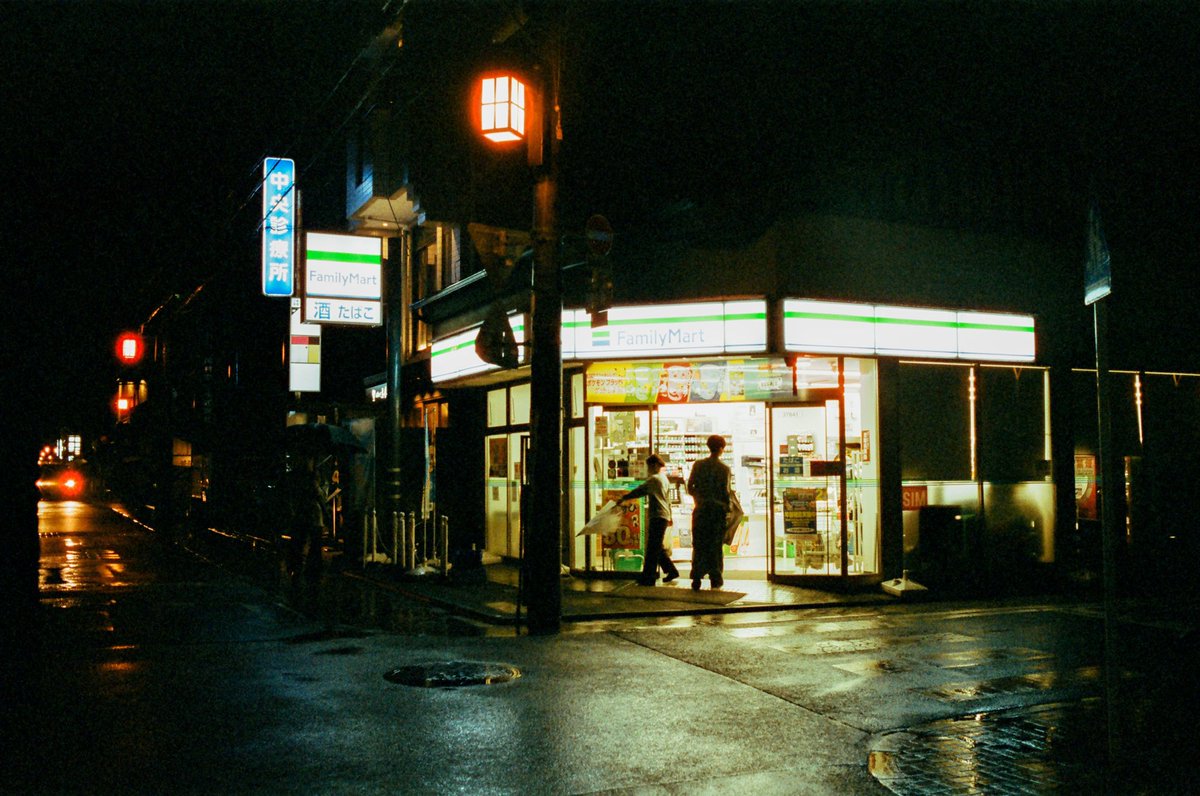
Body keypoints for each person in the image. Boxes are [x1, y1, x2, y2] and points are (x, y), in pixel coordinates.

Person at [617, 454, 680, 586]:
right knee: (656, 546)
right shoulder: (664, 479)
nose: (649, 468)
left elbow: (640, 491)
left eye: (650, 465)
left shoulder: (654, 479)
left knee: (652, 548)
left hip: (657, 515)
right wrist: (670, 516)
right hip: (663, 515)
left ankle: (648, 577)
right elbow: (668, 500)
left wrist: (624, 497)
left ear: (655, 465)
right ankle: (671, 570)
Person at [686, 434, 731, 590]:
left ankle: (696, 577)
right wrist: (727, 507)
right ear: (721, 449)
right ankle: (715, 577)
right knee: (715, 545)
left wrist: (699, 498)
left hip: (701, 511)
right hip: (717, 513)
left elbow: (689, 487)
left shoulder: (698, 465)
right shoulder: (724, 469)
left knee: (699, 544)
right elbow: (726, 492)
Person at [285, 453, 327, 589]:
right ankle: (311, 572)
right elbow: (319, 496)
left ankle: (295, 570)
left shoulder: (294, 478)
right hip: (313, 516)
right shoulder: (310, 478)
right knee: (314, 545)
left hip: (300, 515)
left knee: (298, 543)